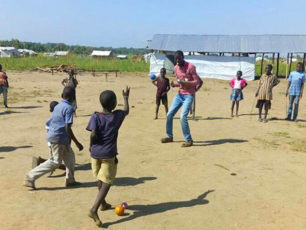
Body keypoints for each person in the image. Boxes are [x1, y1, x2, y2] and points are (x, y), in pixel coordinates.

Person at [24, 87, 84, 189]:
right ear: (73, 97)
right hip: (59, 138)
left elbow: (51, 121)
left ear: (62, 96)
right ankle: (30, 176)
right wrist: (77, 142)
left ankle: (70, 180)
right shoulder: (69, 108)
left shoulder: (58, 106)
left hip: (56, 137)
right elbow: (67, 127)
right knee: (55, 162)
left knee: (70, 157)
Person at [87, 86, 130, 227]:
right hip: (108, 154)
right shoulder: (116, 116)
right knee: (107, 181)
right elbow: (126, 111)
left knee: (100, 177)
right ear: (113, 104)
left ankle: (103, 203)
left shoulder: (95, 116)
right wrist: (125, 98)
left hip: (94, 153)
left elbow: (93, 134)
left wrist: (91, 145)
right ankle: (94, 209)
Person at [161, 50, 200, 147]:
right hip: (180, 95)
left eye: (179, 58)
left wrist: (187, 84)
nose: (177, 60)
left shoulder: (190, 67)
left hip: (189, 95)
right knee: (169, 114)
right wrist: (175, 84)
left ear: (183, 57)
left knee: (183, 117)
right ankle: (169, 136)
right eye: (176, 59)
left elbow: (197, 81)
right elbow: (180, 82)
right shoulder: (175, 68)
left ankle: (189, 140)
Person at [32, 101, 66, 174]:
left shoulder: (50, 119)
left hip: (52, 142)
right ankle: (40, 161)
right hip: (55, 142)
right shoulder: (56, 119)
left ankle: (41, 161)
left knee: (56, 161)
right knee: (55, 162)